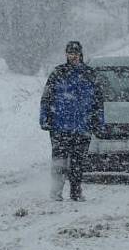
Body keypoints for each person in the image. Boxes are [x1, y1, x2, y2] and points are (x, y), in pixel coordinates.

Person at [39, 41, 104, 201]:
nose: (73, 56)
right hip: (60, 126)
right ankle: (56, 191)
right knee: (59, 161)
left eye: (75, 53)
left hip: (82, 126)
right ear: (66, 54)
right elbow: (46, 97)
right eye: (70, 53)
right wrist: (44, 118)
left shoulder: (89, 74)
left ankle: (76, 191)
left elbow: (98, 102)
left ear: (81, 54)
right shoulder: (58, 73)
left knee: (78, 162)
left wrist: (98, 121)